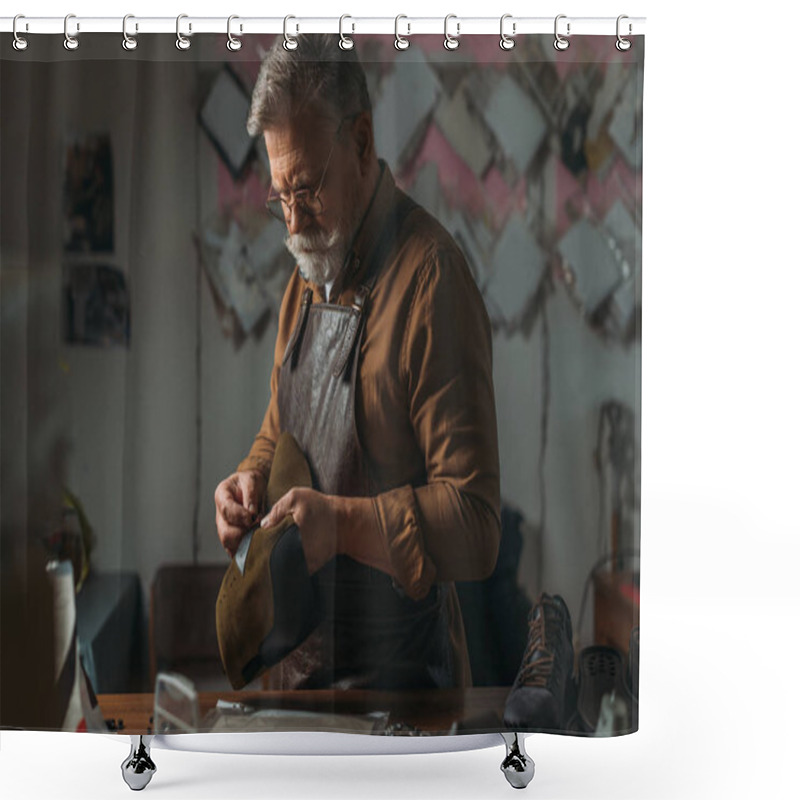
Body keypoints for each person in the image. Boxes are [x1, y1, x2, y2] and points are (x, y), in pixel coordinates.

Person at [214, 34, 501, 691]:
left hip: (400, 693)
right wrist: (247, 481)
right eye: (279, 196)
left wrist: (341, 526)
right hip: (296, 683)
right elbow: (279, 429)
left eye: (306, 188)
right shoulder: (306, 273)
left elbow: (479, 526)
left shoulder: (432, 280)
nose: (292, 220)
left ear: (363, 139)